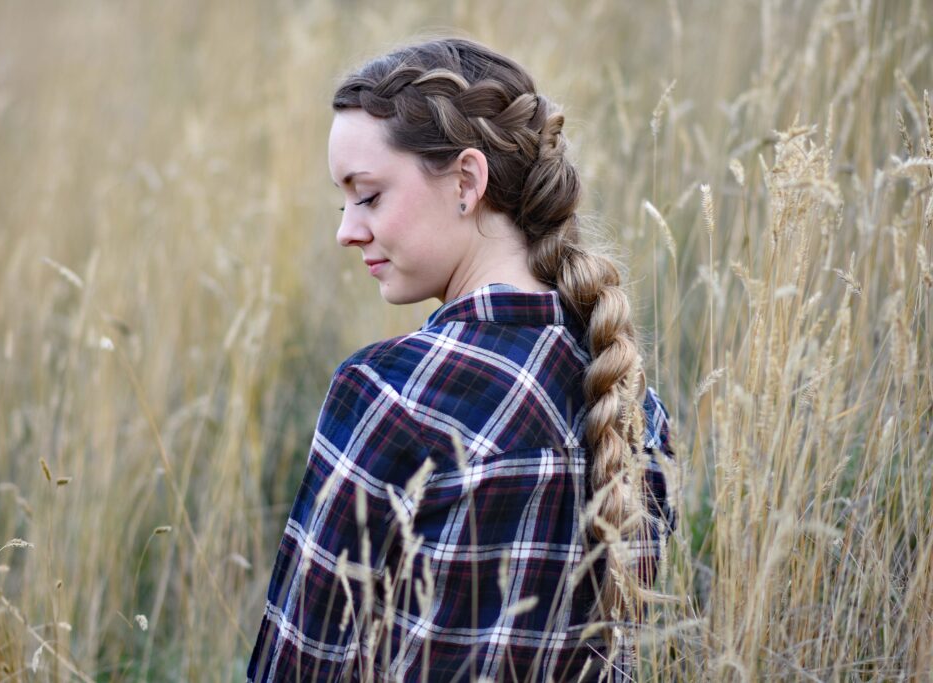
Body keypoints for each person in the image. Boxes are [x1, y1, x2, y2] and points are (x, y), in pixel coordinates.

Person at [246, 37, 676, 683]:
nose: (346, 230)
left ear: (467, 182)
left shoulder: (391, 394)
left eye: (367, 196)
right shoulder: (631, 403)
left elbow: (299, 662)